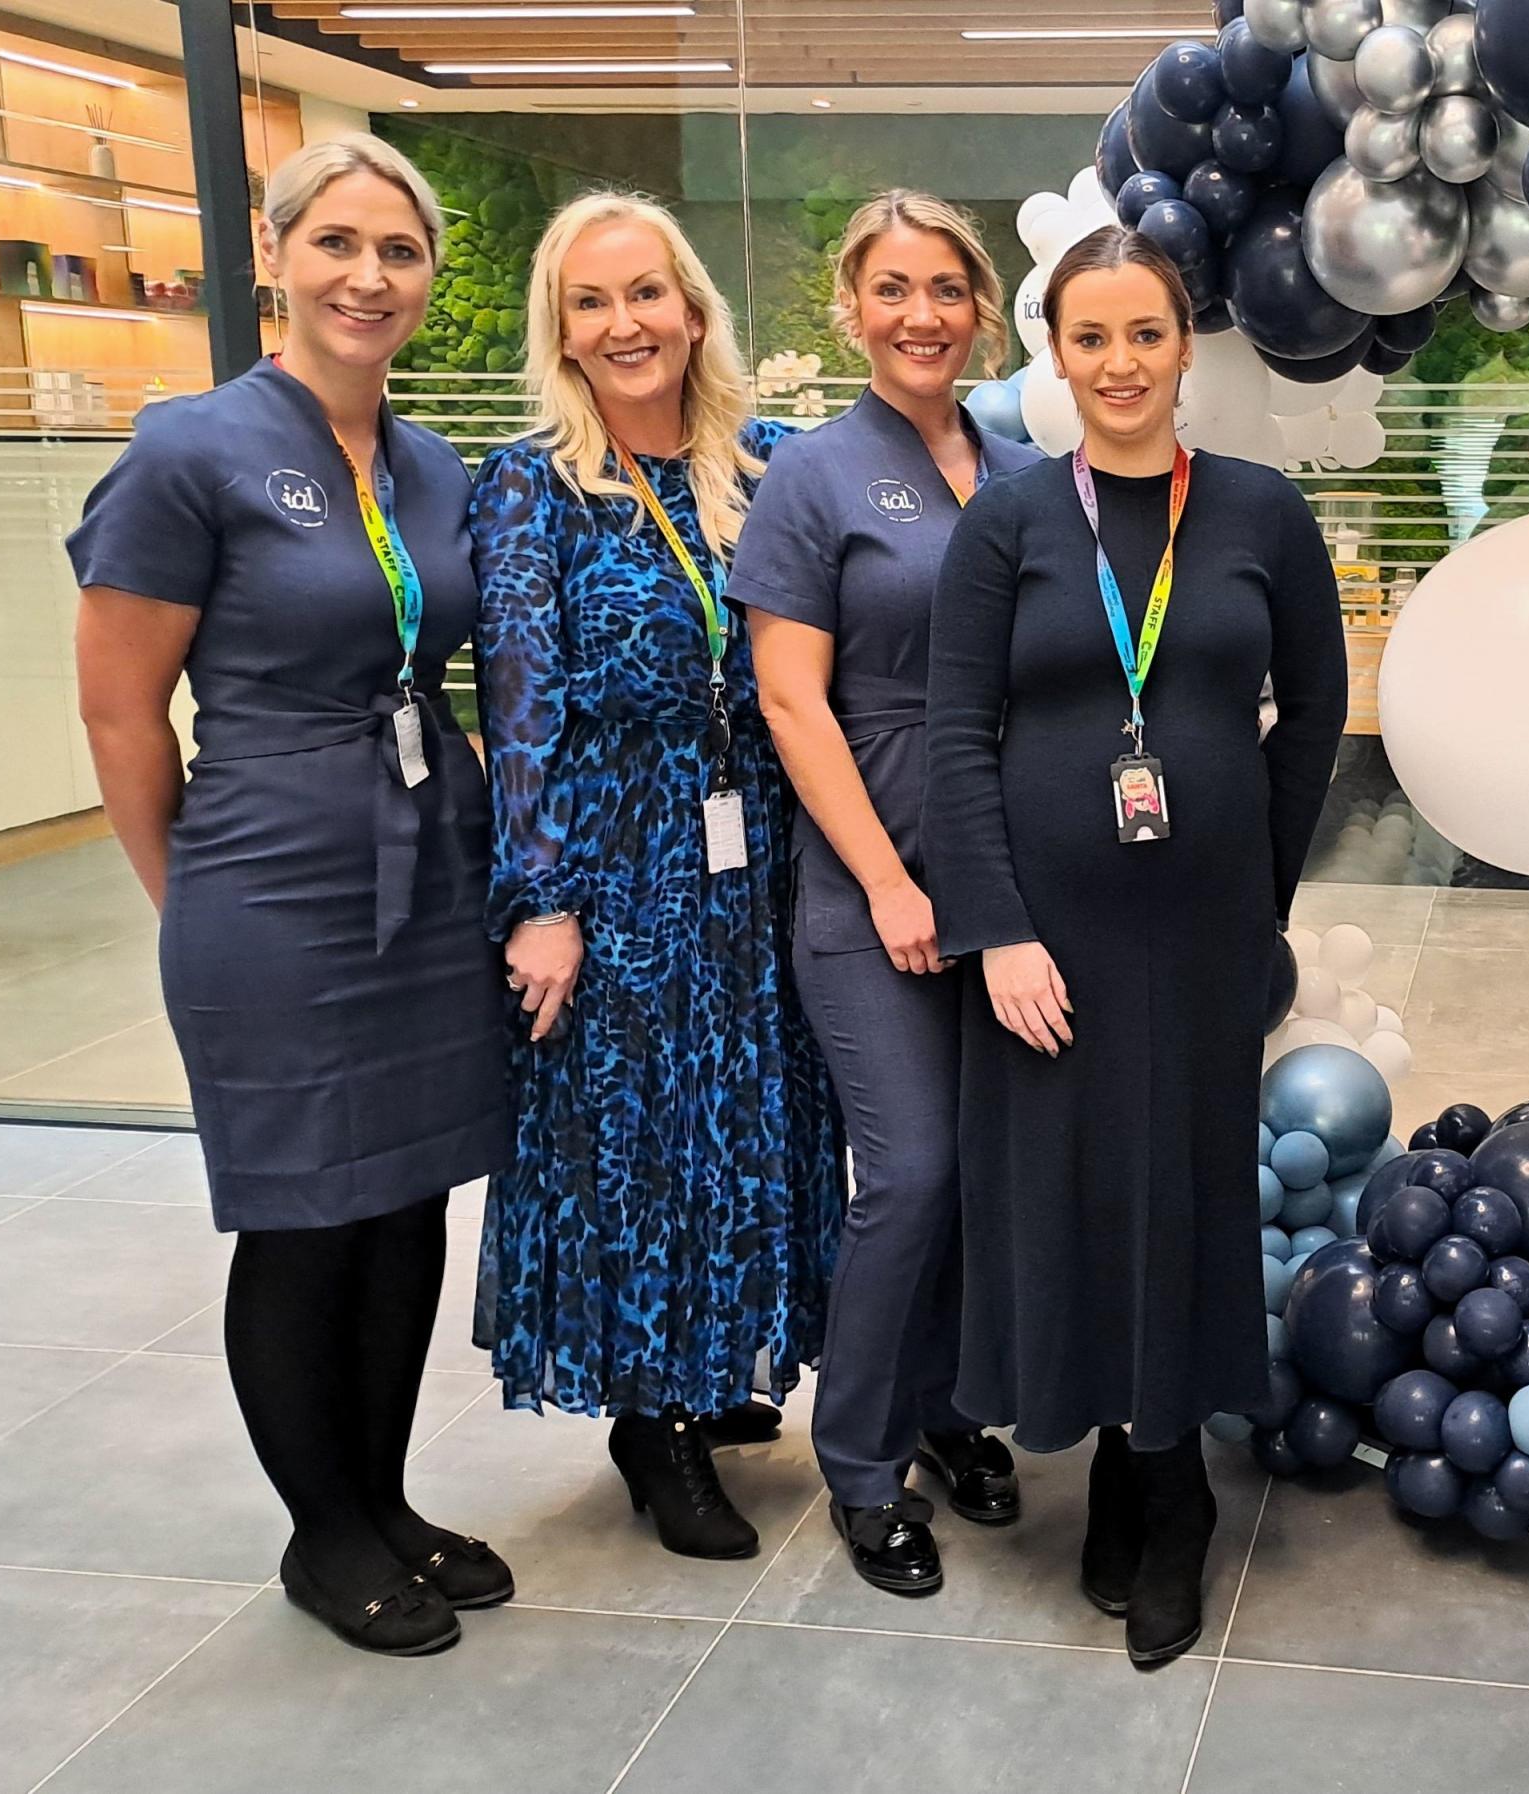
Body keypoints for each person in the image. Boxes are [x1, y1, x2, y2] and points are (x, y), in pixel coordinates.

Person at [69, 134, 512, 1657]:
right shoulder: (190, 448)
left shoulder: (432, 461)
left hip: (427, 864)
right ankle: (321, 1532)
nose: (367, 276)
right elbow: (123, 710)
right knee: (305, 1215)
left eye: (399, 252)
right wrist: (185, 891)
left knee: (402, 1201)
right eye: (338, 244)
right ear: (278, 256)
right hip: (270, 876)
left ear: (427, 283)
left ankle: (383, 1497)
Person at [922, 226, 1347, 1667]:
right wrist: (997, 935)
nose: (1119, 364)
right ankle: (1114, 1444)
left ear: (1185, 348)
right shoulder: (1010, 521)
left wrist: (1260, 902)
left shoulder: (1261, 515)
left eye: (1146, 335)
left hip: (1204, 935)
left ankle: (1172, 1488)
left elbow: (1315, 723)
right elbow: (953, 739)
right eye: (1090, 337)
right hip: (1049, 947)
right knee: (1073, 1203)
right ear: (1055, 351)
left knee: (1183, 1199)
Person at [470, 193, 844, 1561]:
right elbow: (520, 710)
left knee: (750, 1123)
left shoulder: (775, 466)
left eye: (646, 293)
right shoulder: (527, 487)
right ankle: (651, 1417)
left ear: (694, 309)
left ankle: (715, 1363)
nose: (623, 323)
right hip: (619, 869)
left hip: (764, 867)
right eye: (590, 300)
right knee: (639, 1145)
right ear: (561, 333)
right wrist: (542, 902)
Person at [732, 191, 1039, 1597]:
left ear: (982, 306)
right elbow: (792, 704)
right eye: (893, 288)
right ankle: (860, 1460)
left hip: (1011, 879)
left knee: (984, 1174)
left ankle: (947, 1408)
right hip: (873, 890)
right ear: (851, 310)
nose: (922, 313)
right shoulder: (813, 475)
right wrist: (887, 880)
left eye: (947, 288)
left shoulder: (1023, 460)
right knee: (908, 1170)